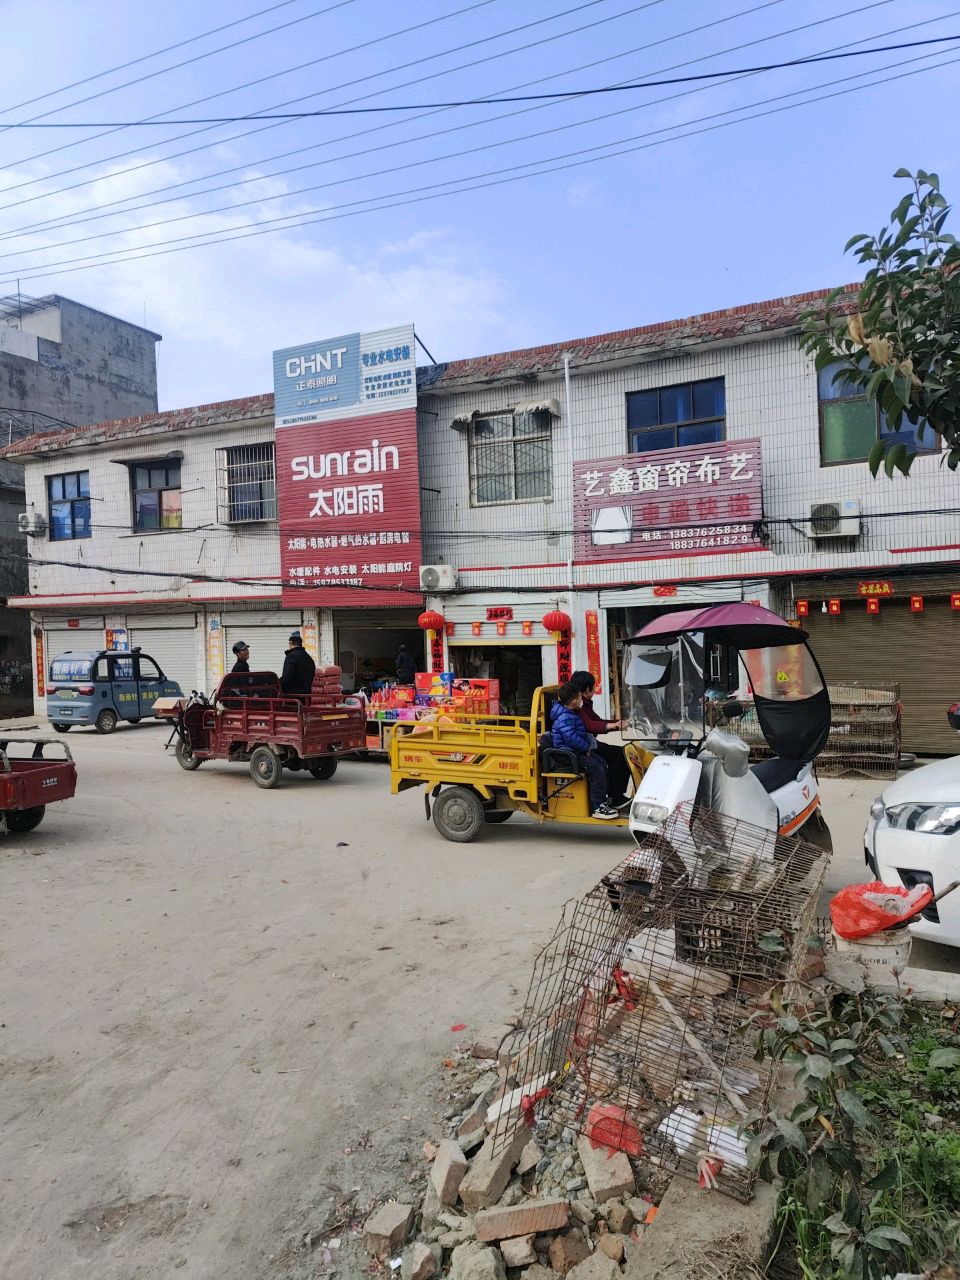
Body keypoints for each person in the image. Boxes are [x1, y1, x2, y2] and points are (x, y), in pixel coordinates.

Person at [549, 682, 618, 820]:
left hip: (576, 752)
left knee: (602, 763)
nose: (582, 701)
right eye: (581, 698)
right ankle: (597, 806)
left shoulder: (569, 713)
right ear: (575, 701)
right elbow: (571, 739)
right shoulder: (565, 718)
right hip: (569, 754)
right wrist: (586, 748)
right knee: (597, 769)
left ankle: (603, 800)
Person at [570, 670, 631, 809]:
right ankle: (614, 798)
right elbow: (590, 725)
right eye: (593, 687)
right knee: (618, 755)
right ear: (586, 690)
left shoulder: (583, 704)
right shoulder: (577, 706)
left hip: (589, 743)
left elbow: (597, 721)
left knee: (622, 752)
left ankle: (616, 796)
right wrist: (612, 725)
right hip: (584, 747)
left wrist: (618, 723)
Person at [280, 631, 316, 696]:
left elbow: (286, 679)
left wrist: (279, 686)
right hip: (306, 697)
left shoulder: (291, 657)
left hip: (292, 698)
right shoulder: (308, 658)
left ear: (290, 643)